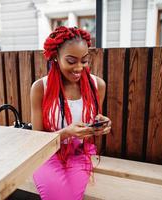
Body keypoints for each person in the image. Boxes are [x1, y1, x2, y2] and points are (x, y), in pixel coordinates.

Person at [30, 26, 111, 200]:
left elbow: (94, 122)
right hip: (46, 154)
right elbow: (36, 140)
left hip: (79, 153)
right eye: (71, 61)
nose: (79, 68)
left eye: (84, 60)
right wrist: (67, 132)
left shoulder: (98, 85)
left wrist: (100, 125)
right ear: (56, 58)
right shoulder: (40, 88)